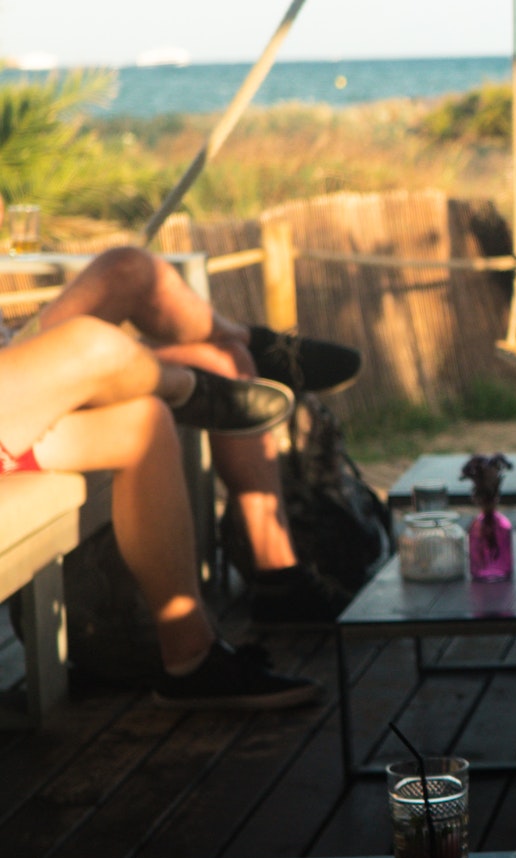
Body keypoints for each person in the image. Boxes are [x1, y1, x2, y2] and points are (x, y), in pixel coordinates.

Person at [32, 246, 362, 621]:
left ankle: (278, 573)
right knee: (125, 269)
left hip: (14, 357)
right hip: (14, 396)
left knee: (225, 360)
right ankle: (256, 345)